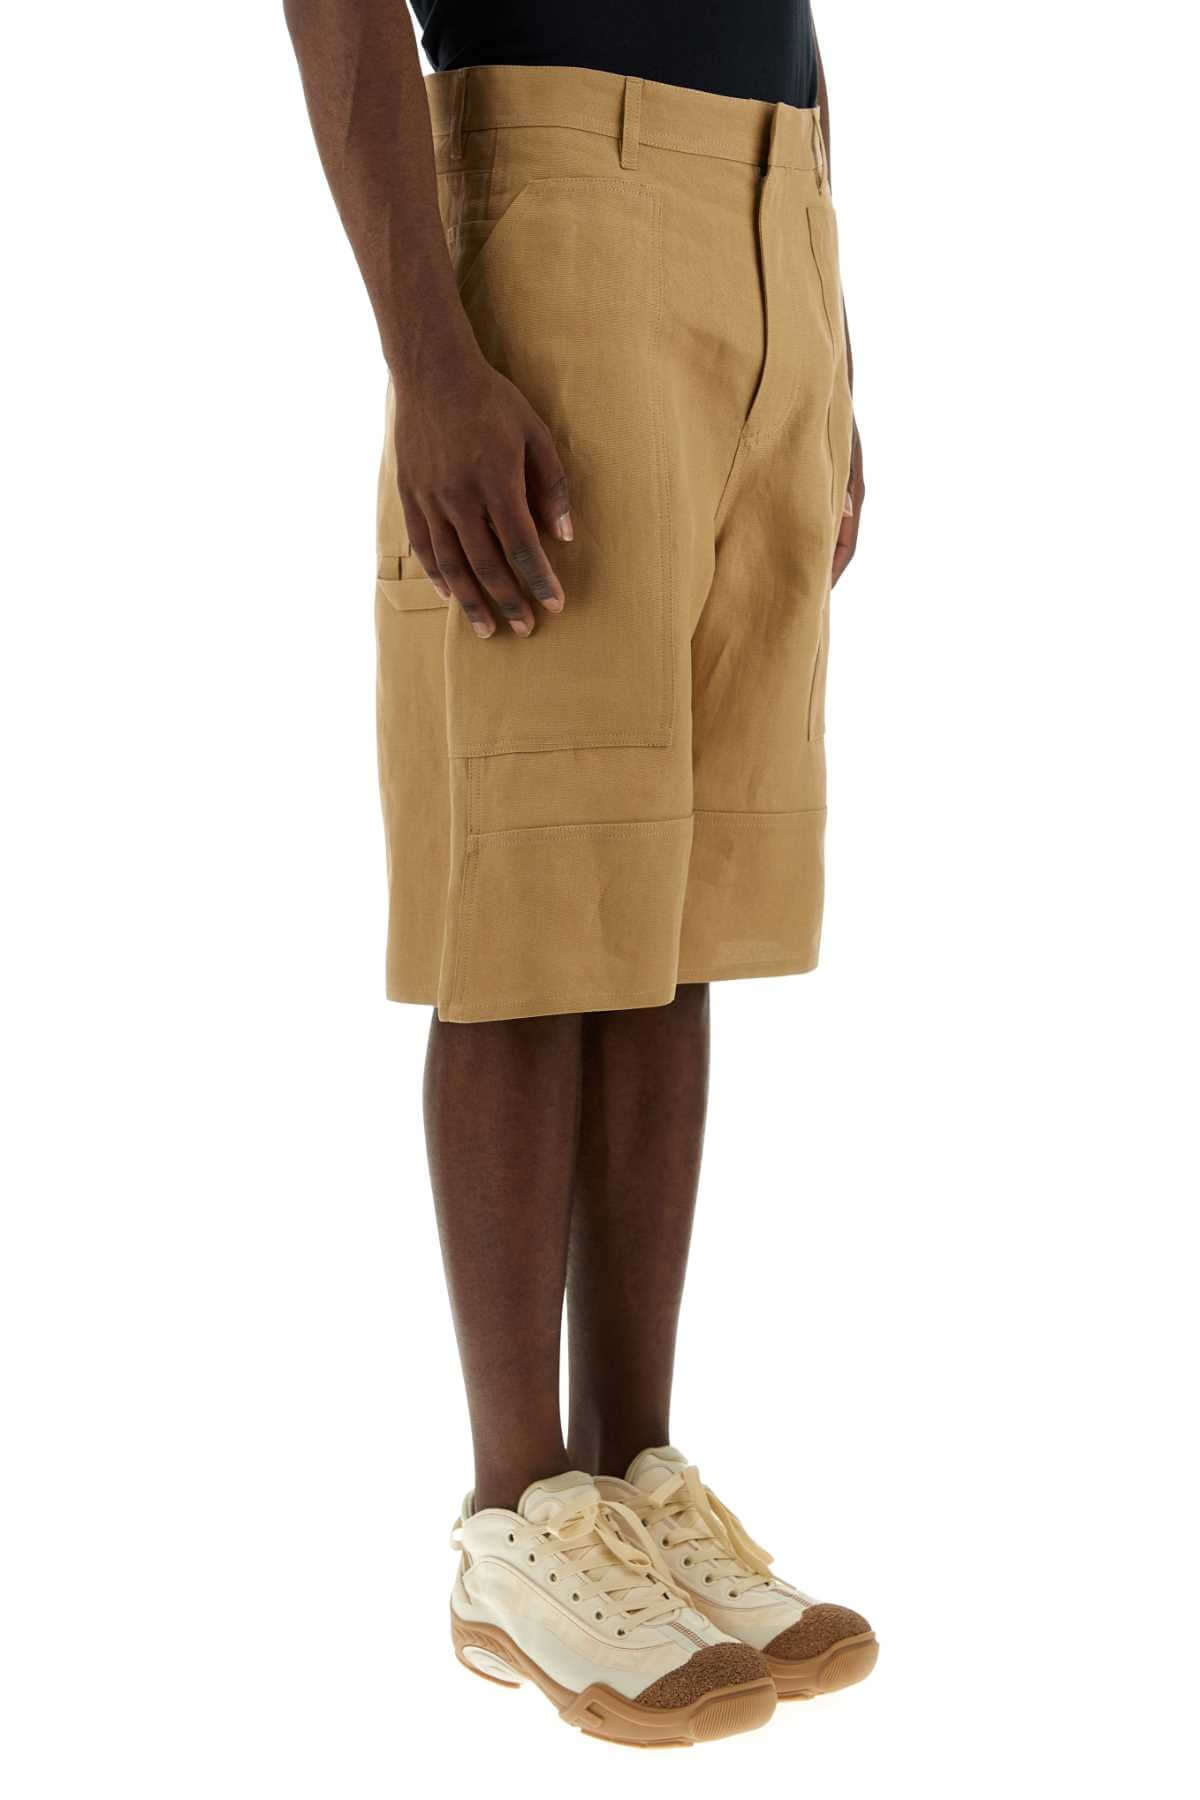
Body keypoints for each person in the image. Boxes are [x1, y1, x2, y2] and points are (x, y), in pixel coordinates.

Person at [284, 0, 875, 1746]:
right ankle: (513, 1516)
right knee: (535, 902)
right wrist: (431, 362)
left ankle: (630, 1478)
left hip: (771, 212)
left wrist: (829, 327)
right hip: (554, 206)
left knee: (671, 911)